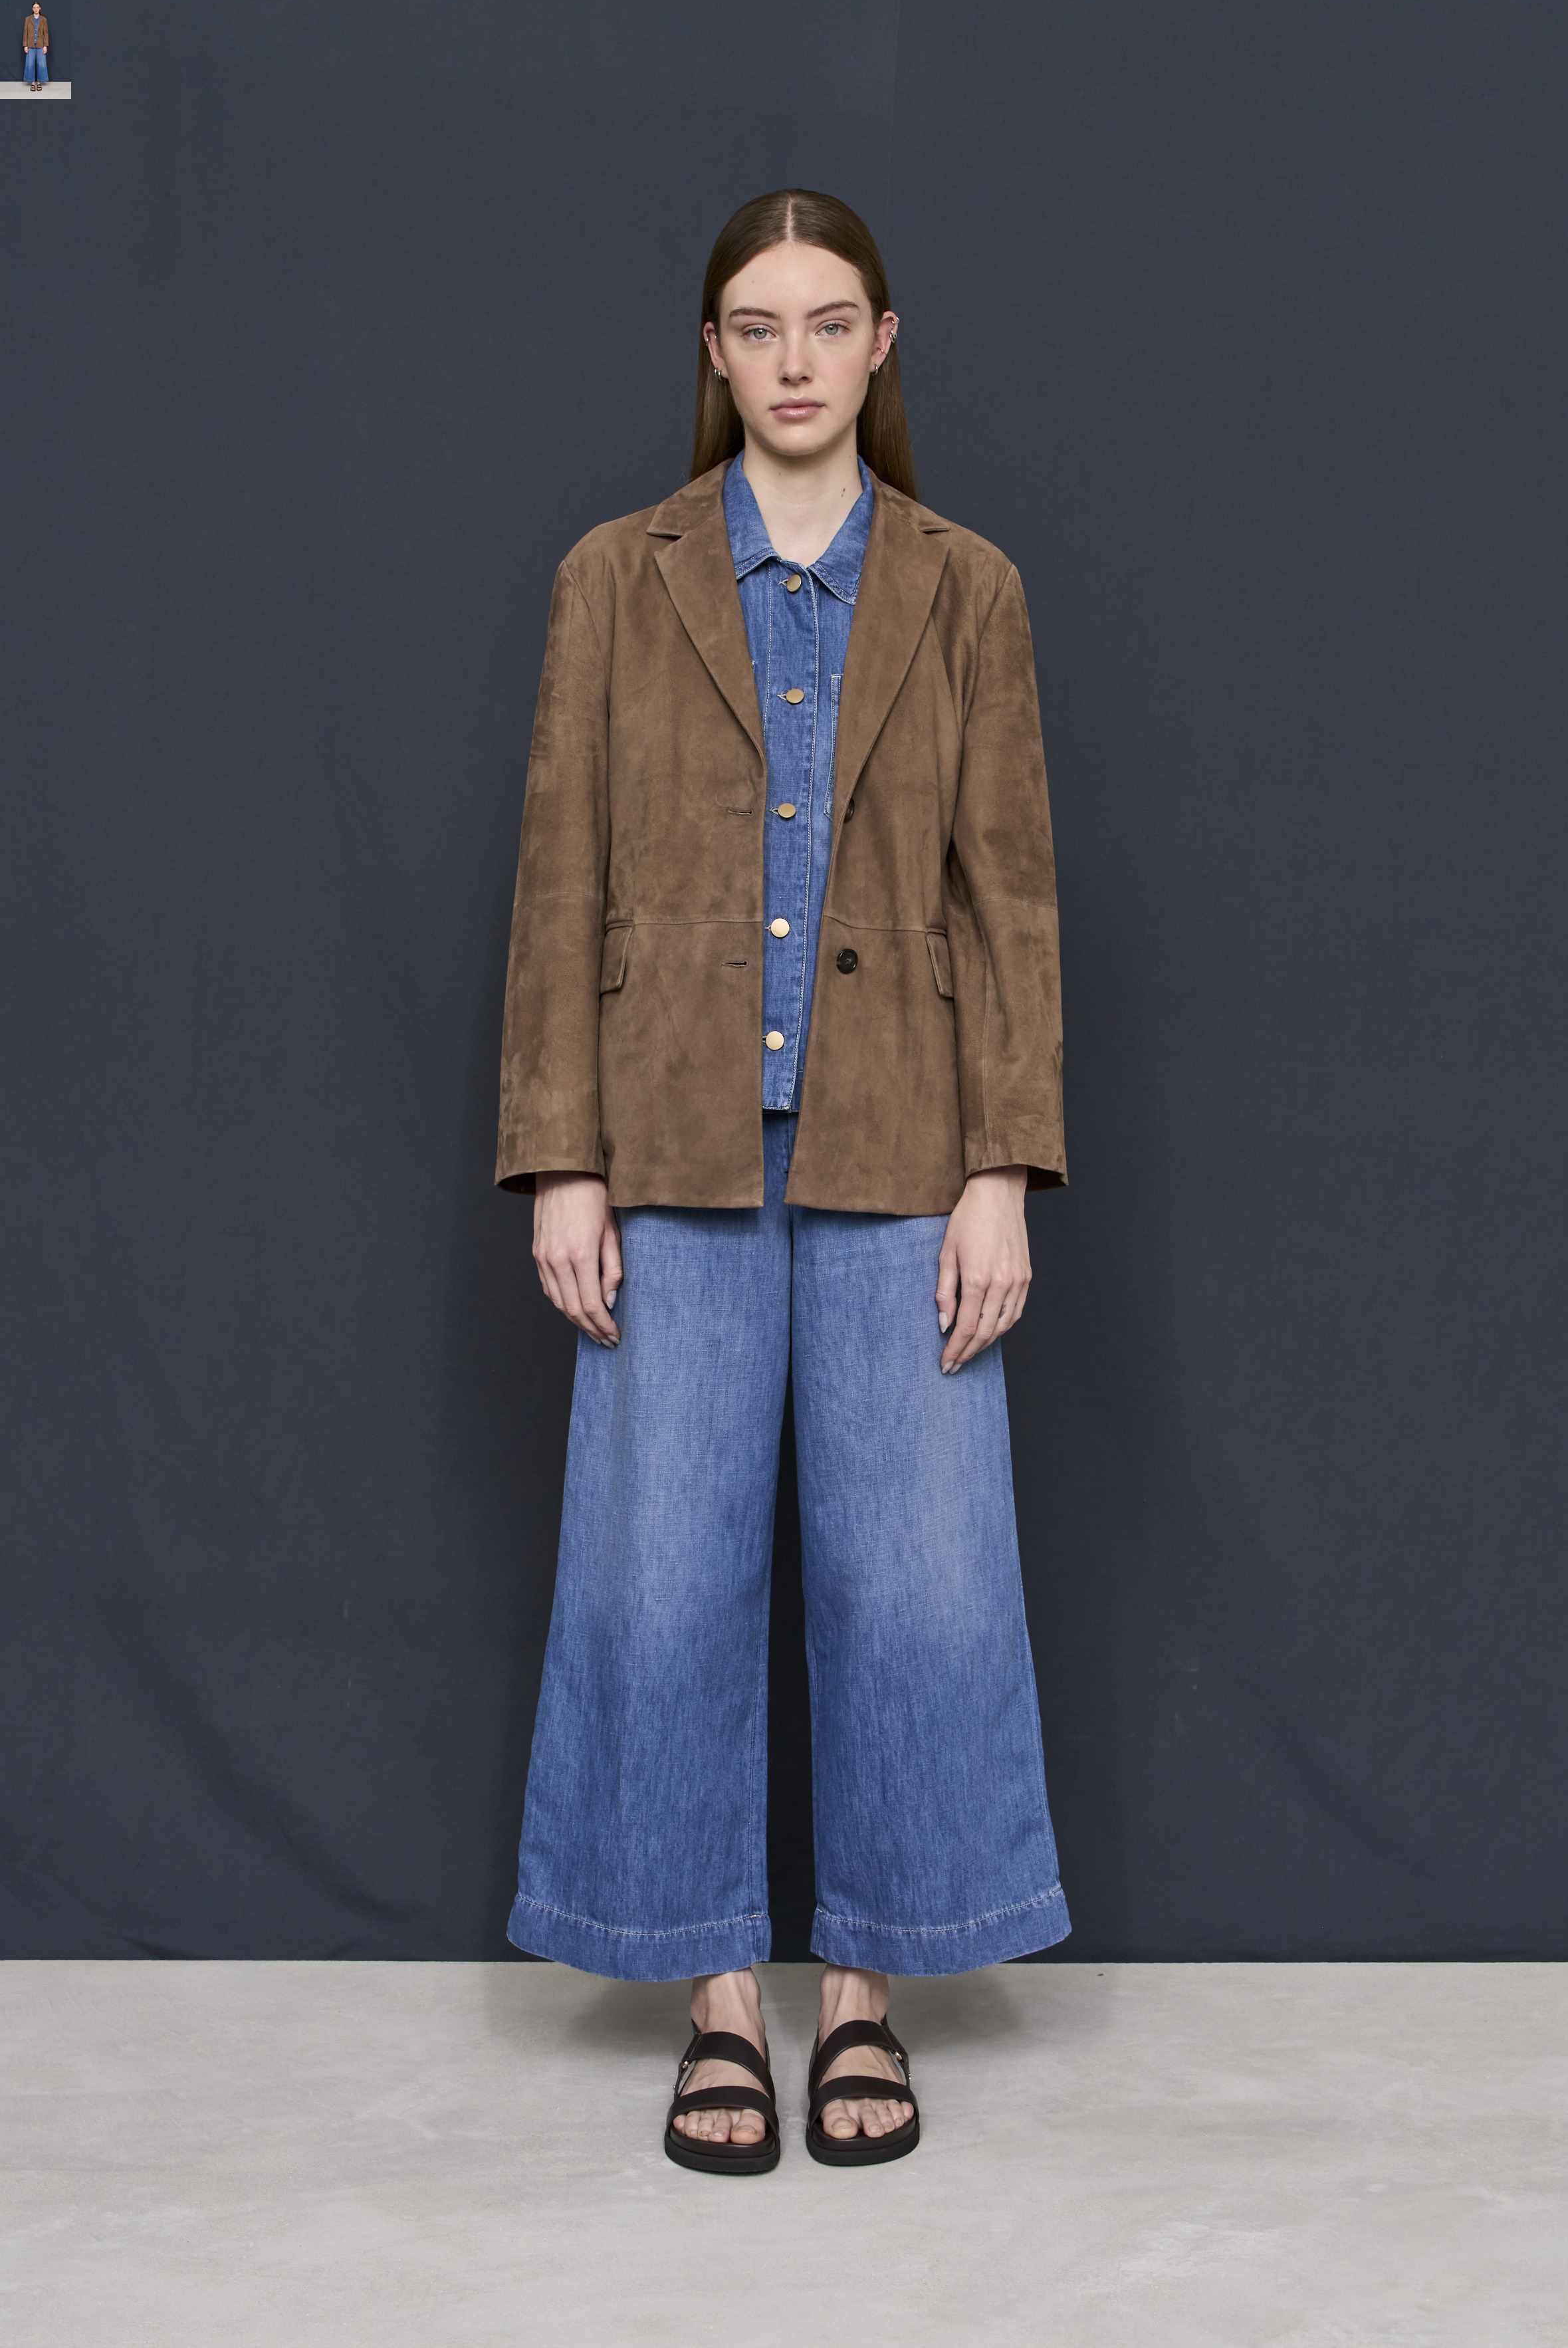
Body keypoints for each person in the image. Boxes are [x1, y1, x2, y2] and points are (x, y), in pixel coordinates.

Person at [495, 188, 1070, 2174]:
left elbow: (1009, 898)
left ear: (882, 343)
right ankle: (716, 1999)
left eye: (831, 322)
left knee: (914, 1582)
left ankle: (869, 1996)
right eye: (760, 325)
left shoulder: (967, 588)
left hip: (906, 1144)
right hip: (663, 1142)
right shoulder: (616, 576)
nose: (797, 358)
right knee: (661, 1578)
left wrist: (1003, 1166)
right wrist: (559, 1157)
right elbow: (558, 875)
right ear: (715, 352)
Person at [23, 3, 47, 87]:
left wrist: (45, 46)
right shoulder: (28, 19)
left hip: (41, 45)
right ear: (32, 9)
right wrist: (25, 45)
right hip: (30, 45)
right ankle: (32, 83)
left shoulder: (44, 19)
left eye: (37, 7)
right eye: (34, 8)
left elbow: (46, 34)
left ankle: (39, 83)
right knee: (30, 64)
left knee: (41, 64)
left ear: (40, 8)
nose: (36, 9)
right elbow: (25, 32)